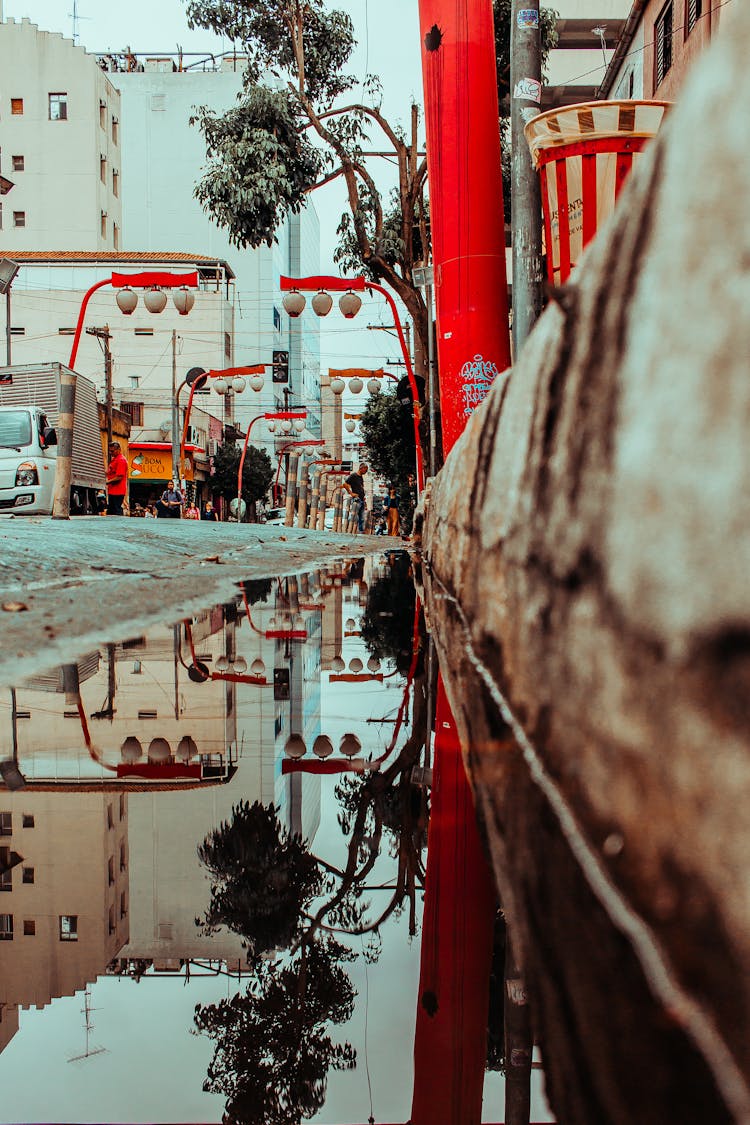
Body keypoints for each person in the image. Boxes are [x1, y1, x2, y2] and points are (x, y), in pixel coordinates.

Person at [106, 441, 129, 516]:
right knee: (112, 510)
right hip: (113, 490)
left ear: (118, 450)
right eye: (110, 451)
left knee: (116, 511)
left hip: (118, 491)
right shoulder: (115, 459)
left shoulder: (121, 460)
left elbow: (119, 477)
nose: (110, 452)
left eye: (112, 451)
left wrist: (107, 482)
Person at [343, 463, 368, 533]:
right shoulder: (354, 476)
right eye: (365, 470)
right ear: (361, 468)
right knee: (354, 515)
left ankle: (360, 531)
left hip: (362, 499)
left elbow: (360, 487)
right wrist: (351, 493)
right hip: (357, 499)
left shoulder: (361, 477)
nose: (366, 472)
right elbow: (345, 484)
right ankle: (350, 529)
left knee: (361, 517)